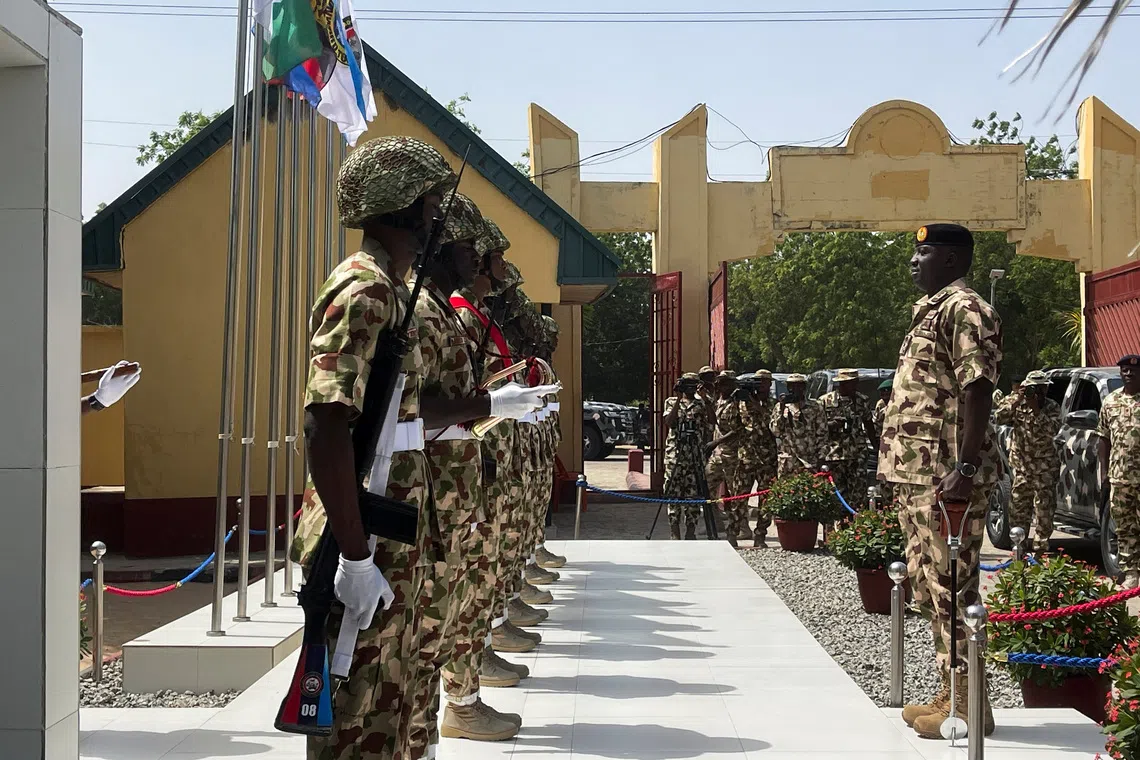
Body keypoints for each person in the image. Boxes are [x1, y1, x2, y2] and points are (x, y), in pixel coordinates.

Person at [289, 135, 452, 760]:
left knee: (393, 708)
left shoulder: (392, 288)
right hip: (363, 541)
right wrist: (354, 556)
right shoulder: (367, 290)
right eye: (431, 205)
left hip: (388, 538)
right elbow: (326, 424)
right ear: (400, 205)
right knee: (356, 719)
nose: (436, 221)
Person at [405, 192, 556, 752]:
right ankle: (460, 701)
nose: (481, 262)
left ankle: (466, 686)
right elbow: (426, 405)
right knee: (452, 599)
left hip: (472, 473)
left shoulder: (457, 314)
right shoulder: (436, 312)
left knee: (475, 585)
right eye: (476, 249)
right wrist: (497, 402)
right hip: (442, 484)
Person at [879, 223, 1000, 740]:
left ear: (951, 261)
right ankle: (952, 690)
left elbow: (978, 389)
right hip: (916, 474)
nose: (914, 260)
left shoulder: (965, 308)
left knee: (953, 585)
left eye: (924, 252)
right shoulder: (930, 310)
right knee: (928, 586)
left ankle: (970, 705)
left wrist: (967, 468)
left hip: (947, 477)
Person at [449, 215, 531, 690]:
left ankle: (488, 638)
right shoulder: (461, 312)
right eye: (496, 259)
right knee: (471, 575)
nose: (501, 269)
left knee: (488, 564)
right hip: (461, 463)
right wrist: (497, 399)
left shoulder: (474, 315)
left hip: (486, 456)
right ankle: (465, 684)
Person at [992, 370, 1062, 555]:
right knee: (1018, 512)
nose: (1038, 392)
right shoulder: (1016, 402)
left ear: (1047, 388)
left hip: (1045, 469)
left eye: (1042, 388)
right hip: (1022, 468)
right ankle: (1019, 552)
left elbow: (1053, 430)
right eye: (1034, 388)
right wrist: (1016, 401)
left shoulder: (1052, 407)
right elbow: (998, 418)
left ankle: (1040, 551)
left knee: (1044, 514)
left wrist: (1037, 410)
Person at [1096, 355, 1140, 588]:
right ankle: (1131, 573)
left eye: (1133, 371)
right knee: (1124, 528)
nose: (1129, 374)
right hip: (1120, 477)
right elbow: (1103, 437)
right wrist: (1104, 473)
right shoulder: (1111, 401)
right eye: (1124, 370)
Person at [819, 369, 875, 511]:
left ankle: (854, 528)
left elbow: (869, 425)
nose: (850, 386)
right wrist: (831, 425)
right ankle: (834, 530)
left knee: (858, 496)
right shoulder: (825, 401)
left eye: (852, 383)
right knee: (835, 496)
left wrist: (877, 448)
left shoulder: (862, 400)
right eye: (845, 383)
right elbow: (817, 427)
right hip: (834, 454)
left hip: (857, 455)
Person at [704, 370, 748, 546]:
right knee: (707, 486)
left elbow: (738, 429)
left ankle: (738, 530)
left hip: (732, 454)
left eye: (727, 383)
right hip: (718, 455)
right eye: (721, 383)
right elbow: (713, 421)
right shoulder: (717, 401)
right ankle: (716, 522)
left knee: (735, 495)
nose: (723, 386)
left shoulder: (737, 402)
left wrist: (716, 441)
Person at [662, 373, 708, 540]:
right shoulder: (671, 401)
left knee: (694, 495)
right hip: (675, 455)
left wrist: (705, 399)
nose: (690, 387)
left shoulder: (701, 403)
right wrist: (678, 398)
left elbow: (712, 421)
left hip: (694, 455)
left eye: (692, 384)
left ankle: (691, 530)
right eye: (686, 384)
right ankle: (674, 531)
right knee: (672, 494)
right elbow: (668, 422)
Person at [738, 370, 777, 546]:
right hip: (746, 456)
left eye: (763, 382)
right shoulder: (741, 403)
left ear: (769, 384)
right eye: (757, 382)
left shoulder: (774, 404)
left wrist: (755, 403)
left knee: (765, 498)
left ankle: (760, 534)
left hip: (767, 458)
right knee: (739, 496)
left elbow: (773, 424)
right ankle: (735, 531)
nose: (760, 385)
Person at [770, 373, 826, 479]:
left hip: (810, 461)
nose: (795, 389)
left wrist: (821, 458)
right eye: (791, 386)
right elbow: (776, 431)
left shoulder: (815, 407)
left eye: (799, 386)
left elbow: (822, 434)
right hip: (788, 462)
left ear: (804, 387)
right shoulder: (780, 407)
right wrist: (782, 409)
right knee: (786, 494)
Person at [872, 378, 894, 503]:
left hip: (898, 448)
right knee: (884, 481)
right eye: (883, 394)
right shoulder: (880, 405)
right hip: (884, 449)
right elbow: (876, 426)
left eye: (887, 393)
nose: (885, 397)